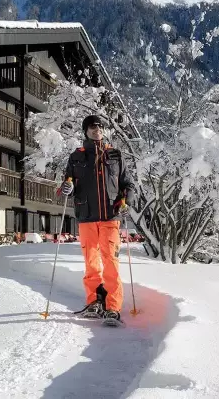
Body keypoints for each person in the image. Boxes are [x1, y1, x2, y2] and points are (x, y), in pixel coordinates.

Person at [60, 114, 134, 324]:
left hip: (110, 216)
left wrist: (125, 201)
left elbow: (128, 184)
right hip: (86, 216)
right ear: (86, 130)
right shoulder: (76, 157)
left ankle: (113, 307)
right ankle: (94, 303)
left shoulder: (115, 155)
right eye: (93, 127)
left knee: (110, 262)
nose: (97, 129)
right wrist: (67, 187)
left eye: (100, 126)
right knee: (91, 263)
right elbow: (67, 182)